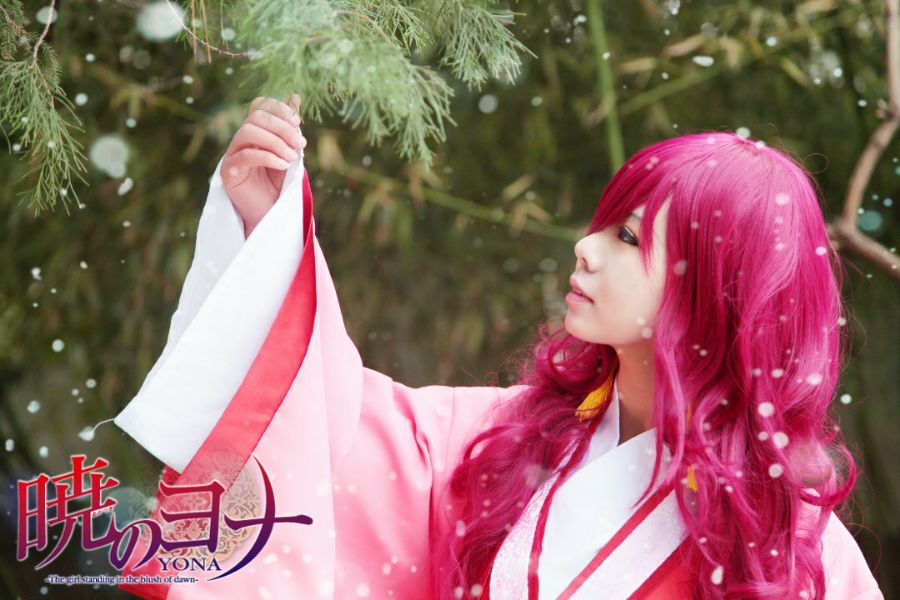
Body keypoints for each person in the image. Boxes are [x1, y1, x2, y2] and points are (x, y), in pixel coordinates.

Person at [113, 95, 884, 599]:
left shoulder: (791, 544)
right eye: (605, 224)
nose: (585, 247)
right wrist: (269, 240)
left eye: (627, 239)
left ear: (715, 292)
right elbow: (327, 424)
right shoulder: (500, 438)